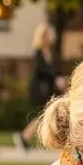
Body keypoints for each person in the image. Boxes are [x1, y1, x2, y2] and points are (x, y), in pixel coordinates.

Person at [13, 22, 67, 153]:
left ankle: (28, 137)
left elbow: (55, 68)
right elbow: (40, 70)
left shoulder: (51, 53)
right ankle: (25, 136)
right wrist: (55, 77)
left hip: (51, 89)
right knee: (42, 115)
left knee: (45, 115)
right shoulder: (37, 53)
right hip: (41, 89)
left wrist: (60, 78)